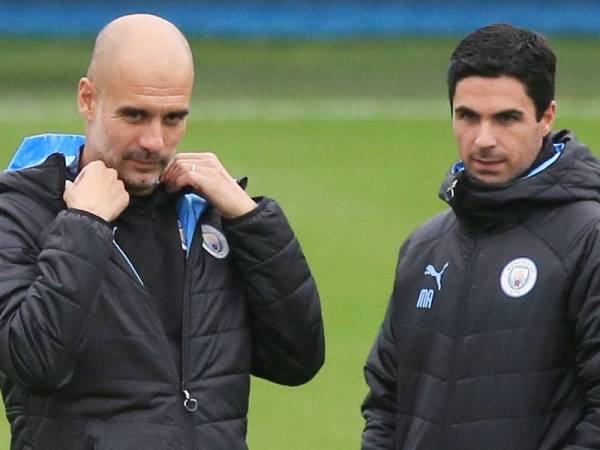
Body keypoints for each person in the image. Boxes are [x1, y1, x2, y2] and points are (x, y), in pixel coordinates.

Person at [0, 14, 324, 450]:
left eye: (173, 118)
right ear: (88, 99)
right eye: (135, 115)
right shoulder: (20, 211)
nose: (155, 141)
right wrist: (85, 227)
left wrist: (251, 221)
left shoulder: (205, 215)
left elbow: (297, 359)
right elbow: (34, 362)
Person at [361, 23, 600, 450]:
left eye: (507, 118)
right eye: (467, 116)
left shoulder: (589, 239)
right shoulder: (424, 248)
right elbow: (385, 403)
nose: (483, 140)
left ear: (546, 117)